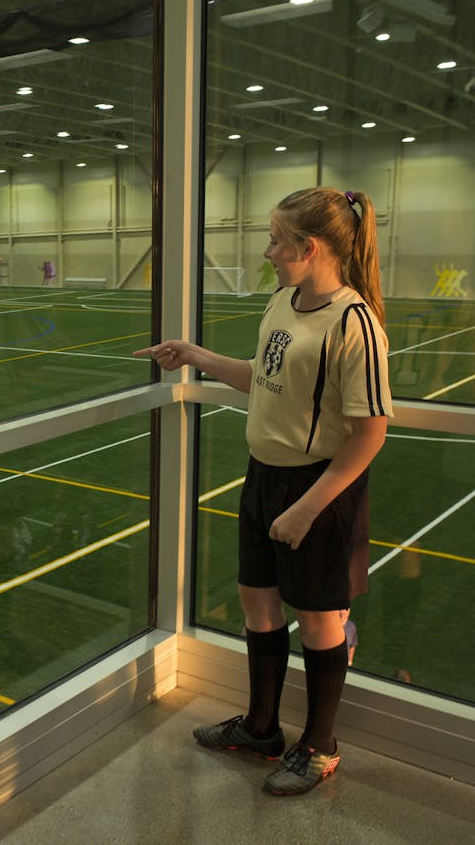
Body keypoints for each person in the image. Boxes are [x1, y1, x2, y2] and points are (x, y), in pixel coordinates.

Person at [136, 186, 392, 796]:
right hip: (263, 477)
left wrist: (307, 508)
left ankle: (322, 745)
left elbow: (368, 435)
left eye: (277, 240)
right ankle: (261, 728)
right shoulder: (284, 301)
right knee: (259, 605)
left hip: (319, 491)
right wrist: (194, 354)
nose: (268, 251)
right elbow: (264, 377)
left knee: (321, 622)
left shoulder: (355, 323)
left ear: (309, 247)